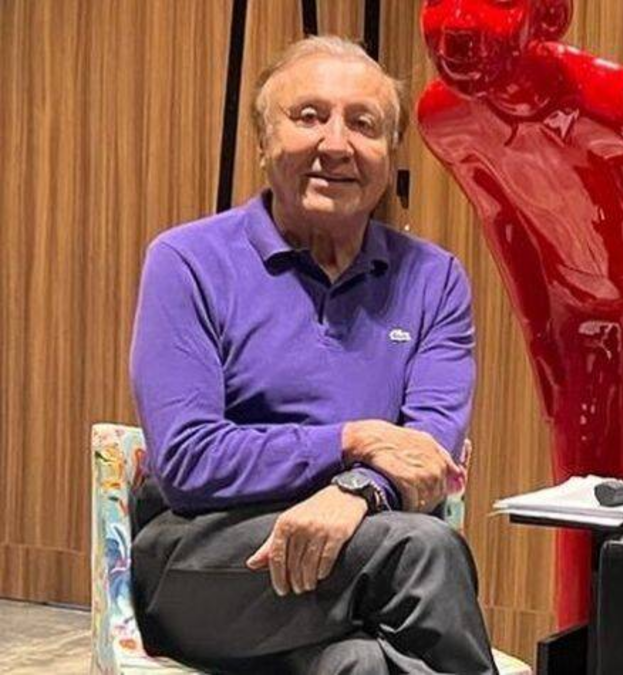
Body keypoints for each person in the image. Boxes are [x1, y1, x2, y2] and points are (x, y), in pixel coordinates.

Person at [128, 36, 496, 674]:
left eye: (364, 124)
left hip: (360, 548)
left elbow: (426, 452)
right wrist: (350, 441)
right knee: (421, 549)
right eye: (309, 116)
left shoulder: (433, 279)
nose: (336, 144)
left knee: (359, 666)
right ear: (263, 140)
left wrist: (356, 493)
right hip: (209, 560)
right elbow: (188, 459)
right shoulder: (187, 261)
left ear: (389, 153)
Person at [417, 0, 623, 625]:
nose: (458, 23)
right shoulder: (447, 118)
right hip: (576, 324)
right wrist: (541, 339)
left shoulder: (619, 104)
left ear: (549, 15)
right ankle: (575, 644)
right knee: (574, 506)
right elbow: (503, 225)